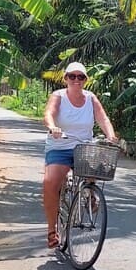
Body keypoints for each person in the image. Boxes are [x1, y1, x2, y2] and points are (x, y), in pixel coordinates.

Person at [42, 62, 117, 248]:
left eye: (80, 77)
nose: (76, 80)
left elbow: (103, 118)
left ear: (85, 80)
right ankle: (52, 231)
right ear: (66, 78)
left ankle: (90, 193)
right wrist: (53, 127)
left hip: (83, 147)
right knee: (50, 182)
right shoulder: (58, 96)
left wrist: (111, 135)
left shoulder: (91, 98)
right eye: (72, 76)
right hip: (60, 147)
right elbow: (49, 113)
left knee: (97, 164)